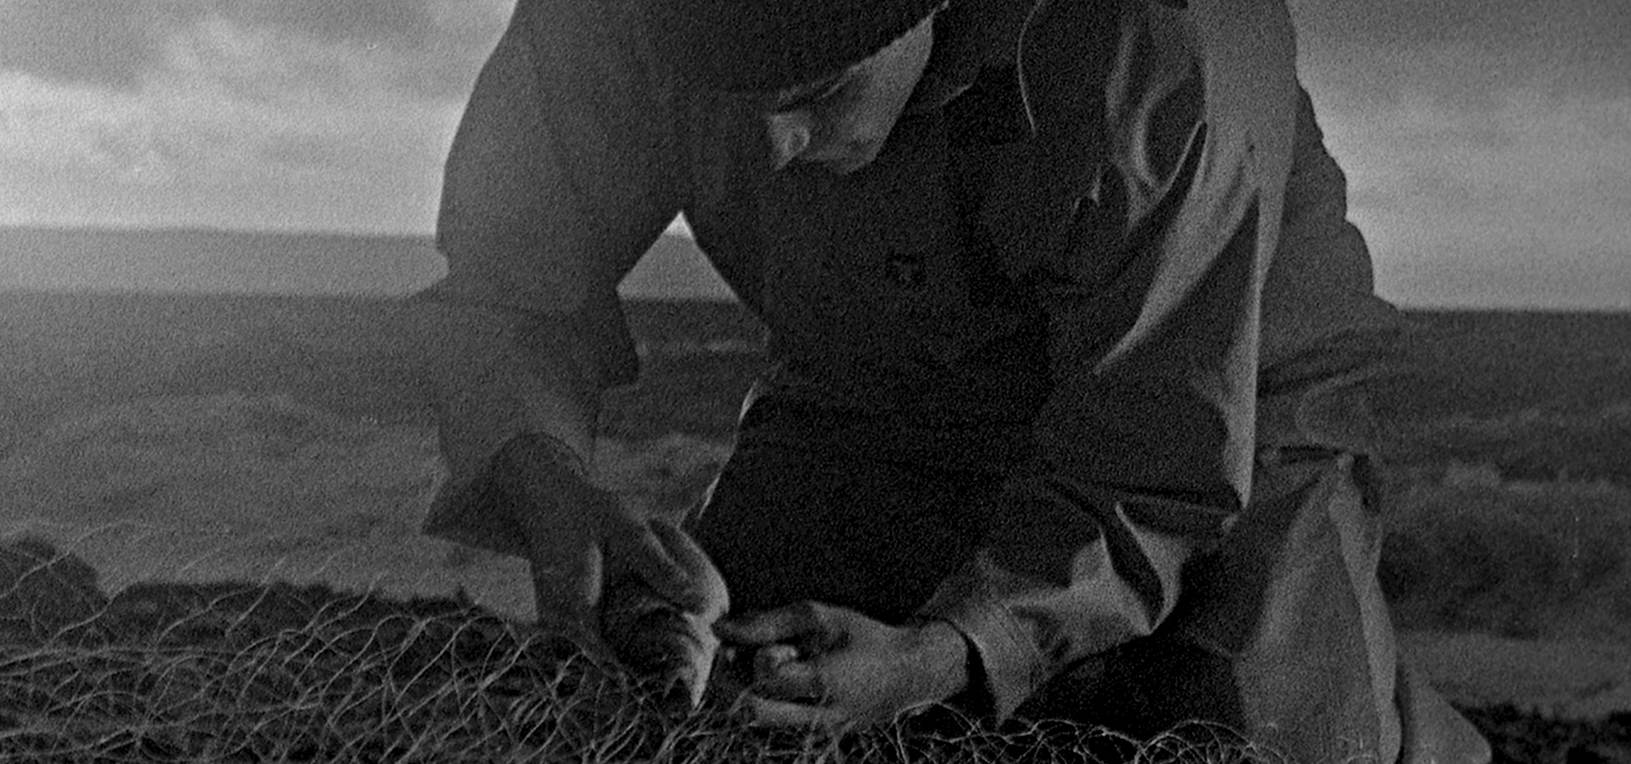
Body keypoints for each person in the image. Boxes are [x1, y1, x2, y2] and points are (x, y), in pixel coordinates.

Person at [413, 0, 1492, 760]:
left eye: (814, 96)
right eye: (721, 107)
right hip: (868, 380)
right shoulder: (605, 13)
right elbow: (511, 278)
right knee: (705, 702)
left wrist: (942, 652)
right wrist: (545, 480)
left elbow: (1155, 462)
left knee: (1262, 736)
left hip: (1228, 405)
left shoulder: (1160, 45)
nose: (771, 151)